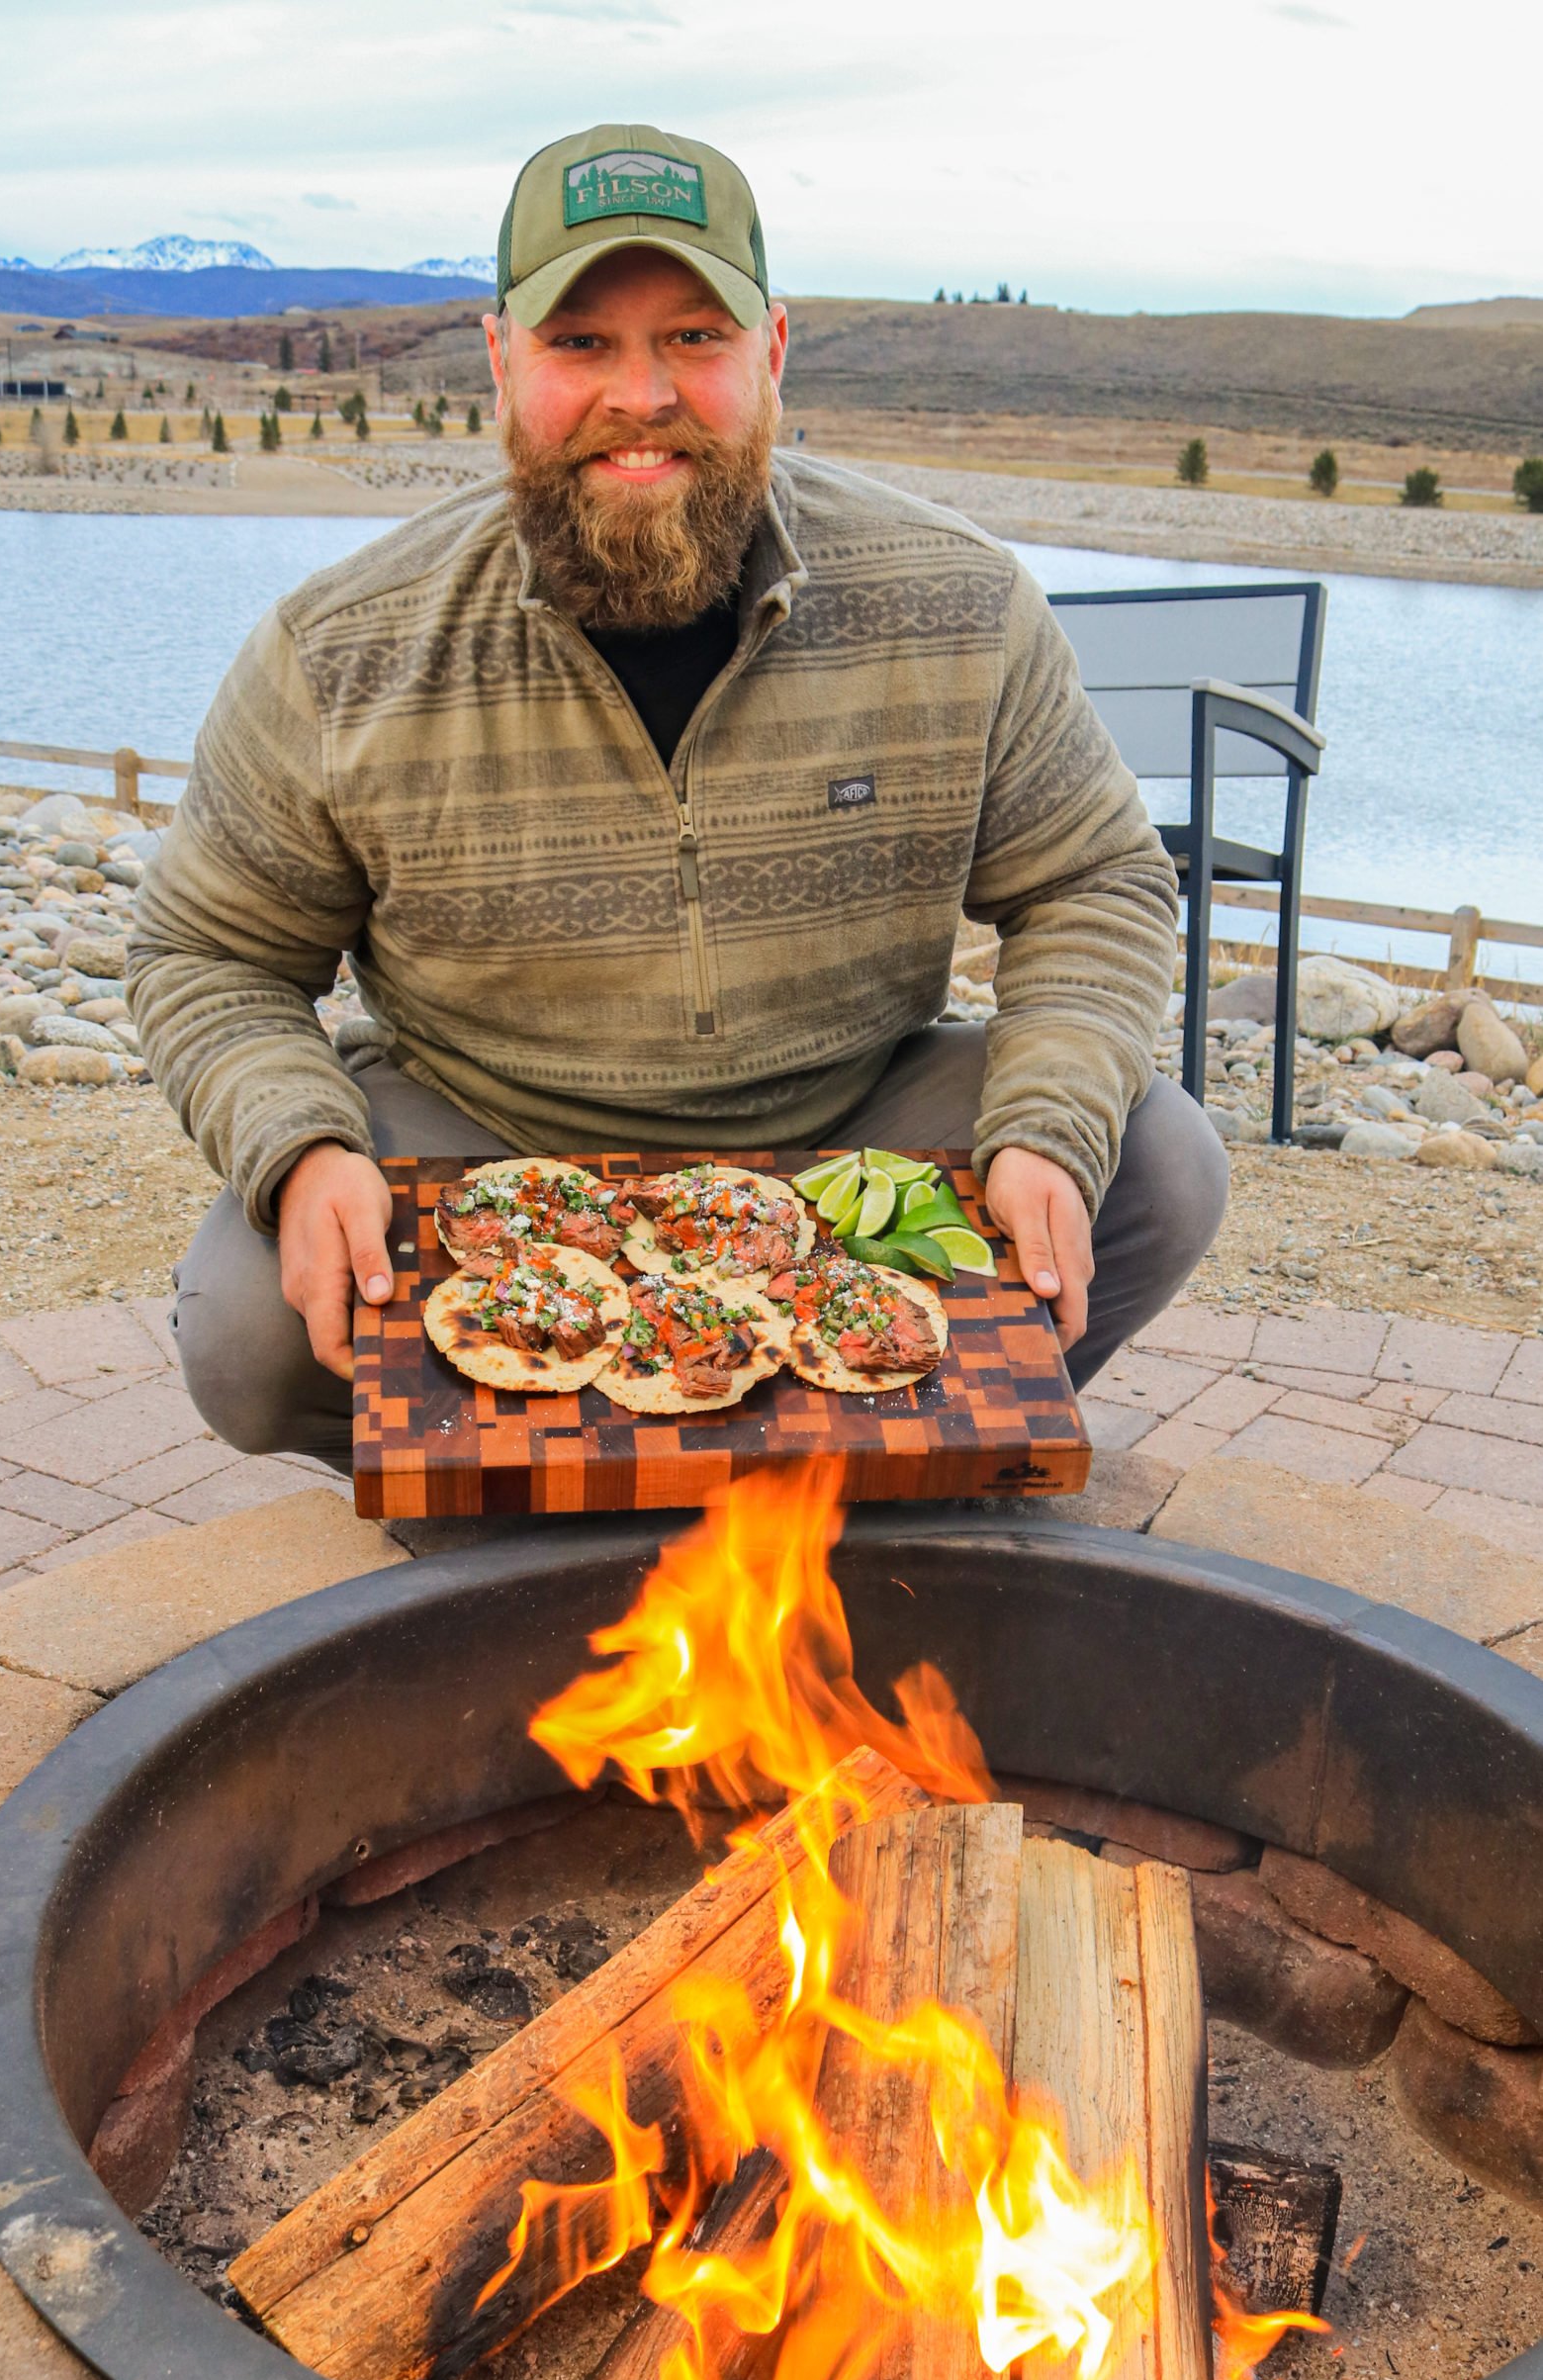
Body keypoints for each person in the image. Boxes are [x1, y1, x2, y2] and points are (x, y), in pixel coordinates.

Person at [129, 122, 1225, 1478]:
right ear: (500, 363)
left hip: (845, 1125)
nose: (638, 395)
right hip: (486, 1133)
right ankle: (523, 1498)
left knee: (1159, 1167)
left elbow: (1093, 881)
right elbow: (209, 953)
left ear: (771, 356)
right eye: (580, 342)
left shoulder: (957, 598)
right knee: (244, 1333)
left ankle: (852, 1481)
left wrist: (1049, 1128)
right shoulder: (339, 647)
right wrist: (297, 1151)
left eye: (694, 339)